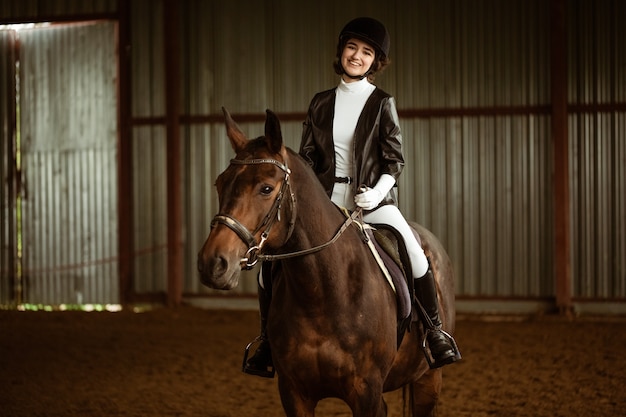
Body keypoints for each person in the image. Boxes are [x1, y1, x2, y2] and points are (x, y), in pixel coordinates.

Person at [243, 17, 460, 378]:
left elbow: (394, 160)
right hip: (325, 202)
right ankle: (266, 339)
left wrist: (376, 193)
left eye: (366, 52)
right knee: (271, 262)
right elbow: (307, 160)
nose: (357, 56)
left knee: (412, 249)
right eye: (352, 48)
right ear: (341, 51)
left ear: (376, 61)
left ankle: (435, 333)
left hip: (371, 202)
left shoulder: (382, 103)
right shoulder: (320, 103)